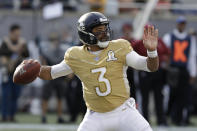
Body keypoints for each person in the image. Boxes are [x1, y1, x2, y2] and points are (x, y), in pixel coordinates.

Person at [25, 12, 158, 131]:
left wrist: (151, 51)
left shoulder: (119, 47)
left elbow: (149, 66)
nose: (105, 33)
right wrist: (34, 69)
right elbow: (51, 72)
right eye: (99, 30)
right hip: (96, 115)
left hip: (123, 111)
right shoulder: (76, 55)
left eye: (105, 29)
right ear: (86, 33)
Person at [163, 16, 197, 125]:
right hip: (172, 70)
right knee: (171, 94)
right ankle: (169, 116)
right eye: (180, 23)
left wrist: (193, 73)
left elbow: (192, 56)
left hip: (183, 70)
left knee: (184, 95)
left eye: (183, 23)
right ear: (177, 24)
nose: (181, 25)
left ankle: (181, 118)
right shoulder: (169, 37)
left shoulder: (190, 38)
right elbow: (164, 54)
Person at [132, 31, 170, 126]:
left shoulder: (160, 41)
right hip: (144, 72)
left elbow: (168, 52)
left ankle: (161, 121)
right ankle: (145, 121)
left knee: (159, 97)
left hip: (157, 72)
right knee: (145, 99)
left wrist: (166, 64)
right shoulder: (139, 42)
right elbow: (130, 51)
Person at [0, 24, 29, 122]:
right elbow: (3, 56)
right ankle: (4, 116)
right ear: (11, 33)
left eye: (19, 34)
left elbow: (26, 54)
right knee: (6, 95)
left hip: (18, 73)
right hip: (7, 73)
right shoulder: (5, 42)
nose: (18, 36)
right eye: (16, 34)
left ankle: (11, 116)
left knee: (15, 95)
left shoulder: (22, 43)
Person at [39, 32, 66, 123]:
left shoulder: (62, 51)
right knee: (45, 97)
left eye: (56, 40)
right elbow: (43, 63)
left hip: (59, 76)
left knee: (60, 98)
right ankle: (43, 116)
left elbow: (64, 62)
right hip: (49, 76)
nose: (55, 42)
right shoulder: (46, 51)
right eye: (53, 40)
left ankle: (59, 116)